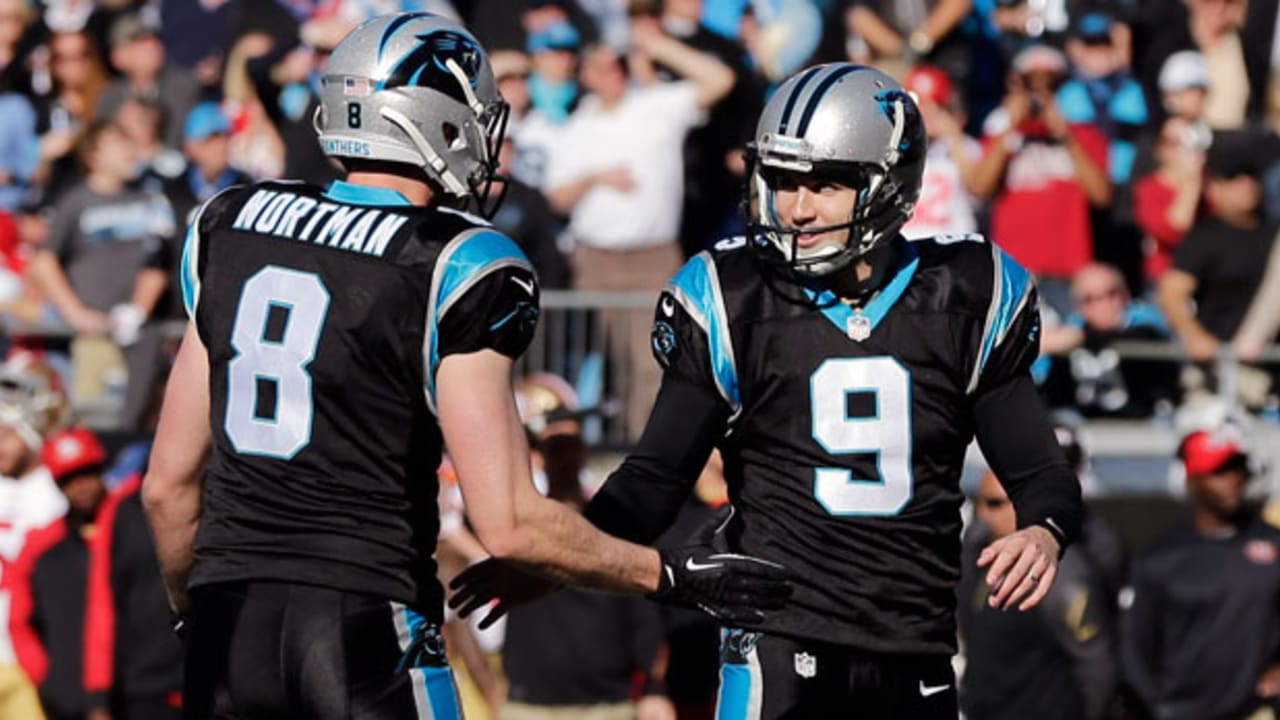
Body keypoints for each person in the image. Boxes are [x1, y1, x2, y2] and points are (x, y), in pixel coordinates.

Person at [140, 13, 788, 720]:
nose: (486, 141)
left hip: (227, 626)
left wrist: (192, 614)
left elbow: (168, 490)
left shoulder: (229, 222)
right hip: (362, 628)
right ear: (431, 122)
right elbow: (509, 523)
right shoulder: (458, 260)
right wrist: (665, 574)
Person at [454, 63, 1085, 719]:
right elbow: (651, 481)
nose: (797, 207)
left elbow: (1041, 471)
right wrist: (558, 563)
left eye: (826, 185)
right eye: (783, 181)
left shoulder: (964, 293)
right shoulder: (735, 297)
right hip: (778, 644)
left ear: (890, 182)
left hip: (917, 648)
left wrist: (1043, 531)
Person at [1121, 426, 1280, 720]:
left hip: (1255, 710)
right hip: (1180, 711)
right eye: (1219, 471)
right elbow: (1135, 649)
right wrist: (1154, 708)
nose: (1232, 479)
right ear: (1193, 480)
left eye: (1237, 468)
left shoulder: (1274, 546)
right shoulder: (1161, 558)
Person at [959, 468, 1117, 720]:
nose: (985, 513)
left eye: (997, 503)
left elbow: (1096, 664)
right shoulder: (977, 556)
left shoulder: (1057, 573)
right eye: (983, 502)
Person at [9, 427, 109, 720]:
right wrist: (47, 678)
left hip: (130, 690)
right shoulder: (43, 544)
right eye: (68, 479)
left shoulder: (129, 529)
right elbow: (20, 619)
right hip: (67, 698)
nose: (81, 486)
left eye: (88, 473)